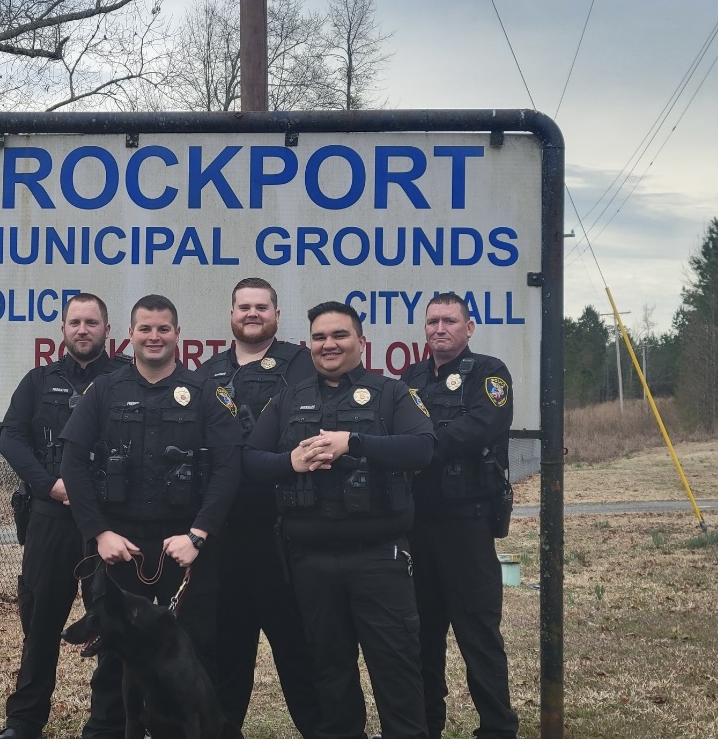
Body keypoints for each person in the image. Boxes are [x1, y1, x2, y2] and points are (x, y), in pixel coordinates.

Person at [243, 300, 435, 739]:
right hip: (310, 562)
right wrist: (289, 461)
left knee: (397, 672)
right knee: (330, 676)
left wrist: (356, 442)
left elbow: (423, 448)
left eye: (339, 335)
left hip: (379, 560)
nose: (328, 344)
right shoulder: (290, 397)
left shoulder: (391, 393)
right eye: (319, 337)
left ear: (361, 342)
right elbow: (250, 460)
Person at [60, 293, 243, 739]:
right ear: (130, 334)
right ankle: (108, 731)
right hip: (120, 548)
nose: (154, 336)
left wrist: (198, 536)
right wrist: (99, 532)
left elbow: (228, 466)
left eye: (163, 329)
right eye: (145, 328)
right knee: (111, 658)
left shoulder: (206, 392)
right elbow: (73, 462)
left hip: (185, 548)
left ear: (178, 335)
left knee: (196, 655)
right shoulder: (104, 390)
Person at [0, 293, 126, 739]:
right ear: (63, 329)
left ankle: (110, 723)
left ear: (108, 329)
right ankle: (24, 722)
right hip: (50, 518)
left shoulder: (125, 380)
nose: (83, 329)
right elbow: (11, 438)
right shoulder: (38, 381)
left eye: (92, 322)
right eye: (75, 322)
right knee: (41, 626)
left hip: (107, 522)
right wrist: (48, 484)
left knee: (114, 629)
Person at [197, 278, 322, 739]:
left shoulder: (304, 364)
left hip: (285, 529)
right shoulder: (207, 373)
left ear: (277, 313)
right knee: (226, 649)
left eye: (261, 307)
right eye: (244, 307)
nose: (252, 314)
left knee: (298, 648)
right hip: (225, 533)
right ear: (231, 314)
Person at [400, 292, 519, 739]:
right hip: (415, 526)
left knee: (478, 635)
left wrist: (422, 443)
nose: (439, 328)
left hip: (466, 525)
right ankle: (425, 727)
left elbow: (480, 426)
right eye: (432, 321)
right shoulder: (409, 377)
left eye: (449, 320)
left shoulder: (489, 373)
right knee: (420, 638)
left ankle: (497, 728)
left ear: (469, 328)